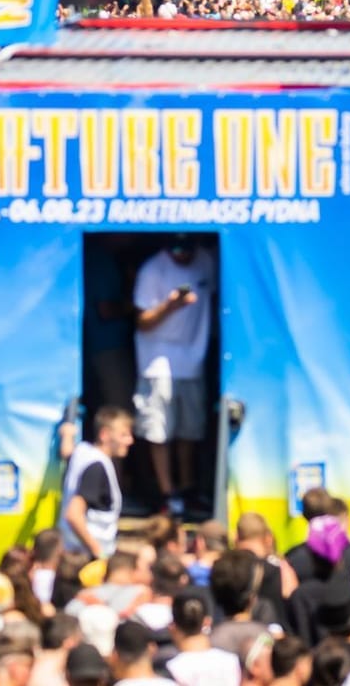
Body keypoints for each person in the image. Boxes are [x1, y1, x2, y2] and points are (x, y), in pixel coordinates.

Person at [134, 238, 217, 517]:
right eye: (177, 250)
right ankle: (166, 494)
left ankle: (188, 489)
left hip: (193, 360)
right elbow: (142, 321)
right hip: (157, 362)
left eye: (188, 249)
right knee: (159, 432)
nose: (183, 255)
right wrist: (170, 306)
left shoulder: (206, 261)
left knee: (189, 431)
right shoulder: (152, 270)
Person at [63, 407, 135, 559]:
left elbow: (67, 452)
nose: (130, 440)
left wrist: (67, 434)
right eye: (123, 435)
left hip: (72, 550)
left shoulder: (83, 450)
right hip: (87, 556)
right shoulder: (97, 467)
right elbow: (73, 515)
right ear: (104, 435)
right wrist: (98, 552)